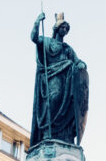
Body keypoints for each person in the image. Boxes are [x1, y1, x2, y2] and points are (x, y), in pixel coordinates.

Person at [29, 12, 88, 148]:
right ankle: (46, 134)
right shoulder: (47, 42)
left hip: (65, 81)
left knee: (67, 106)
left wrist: (81, 64)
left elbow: (78, 61)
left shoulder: (67, 49)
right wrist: (38, 21)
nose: (65, 30)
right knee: (53, 100)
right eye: (63, 28)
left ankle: (63, 136)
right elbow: (34, 38)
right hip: (51, 78)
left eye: (67, 29)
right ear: (56, 29)